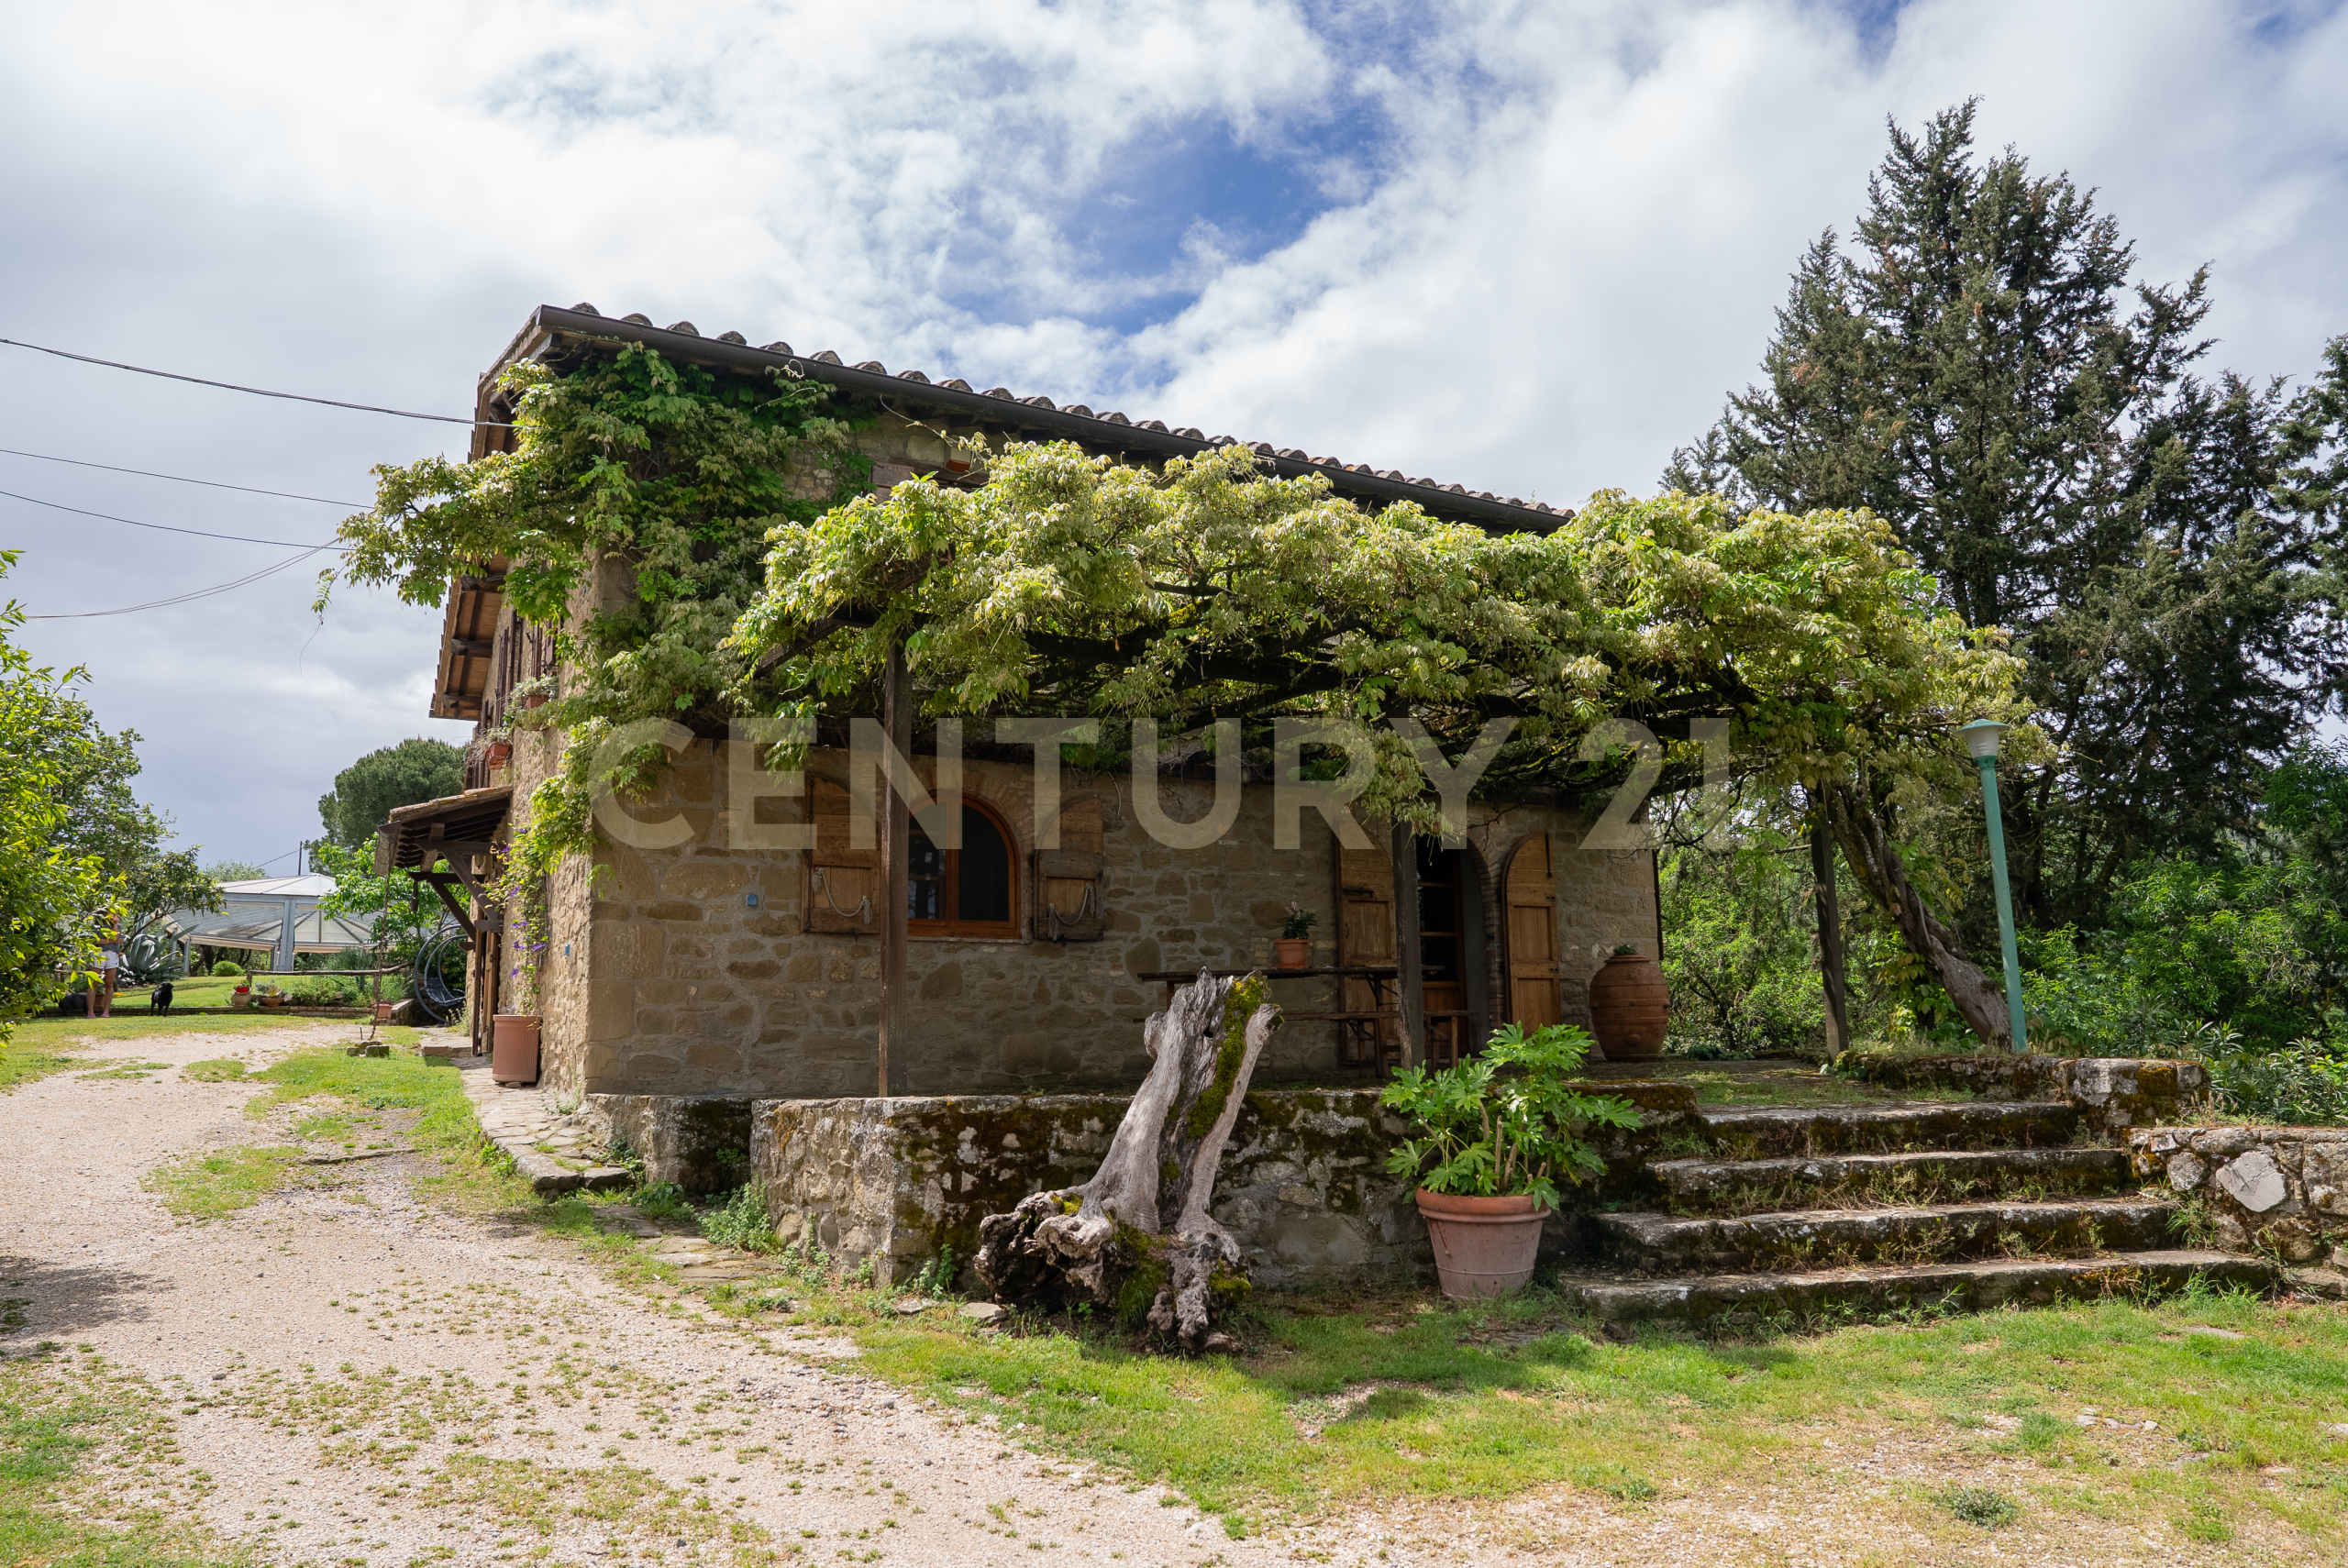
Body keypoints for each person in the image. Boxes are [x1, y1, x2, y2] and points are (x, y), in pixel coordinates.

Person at [95, 945, 120, 1017]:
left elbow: (119, 939)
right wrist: (110, 941)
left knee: (109, 983)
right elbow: (95, 940)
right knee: (93, 983)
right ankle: (90, 1012)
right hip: (97, 953)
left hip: (112, 953)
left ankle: (106, 1012)